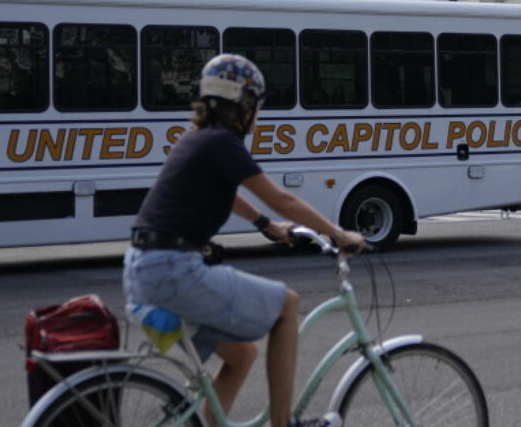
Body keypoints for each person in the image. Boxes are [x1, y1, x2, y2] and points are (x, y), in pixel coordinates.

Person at [123, 53, 365, 427]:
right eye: (257, 107)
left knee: (242, 355)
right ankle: (283, 424)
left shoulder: (198, 140)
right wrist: (337, 233)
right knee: (287, 305)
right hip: (173, 271)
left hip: (145, 269)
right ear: (245, 106)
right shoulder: (223, 143)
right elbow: (281, 197)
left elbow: (229, 193)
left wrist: (267, 225)